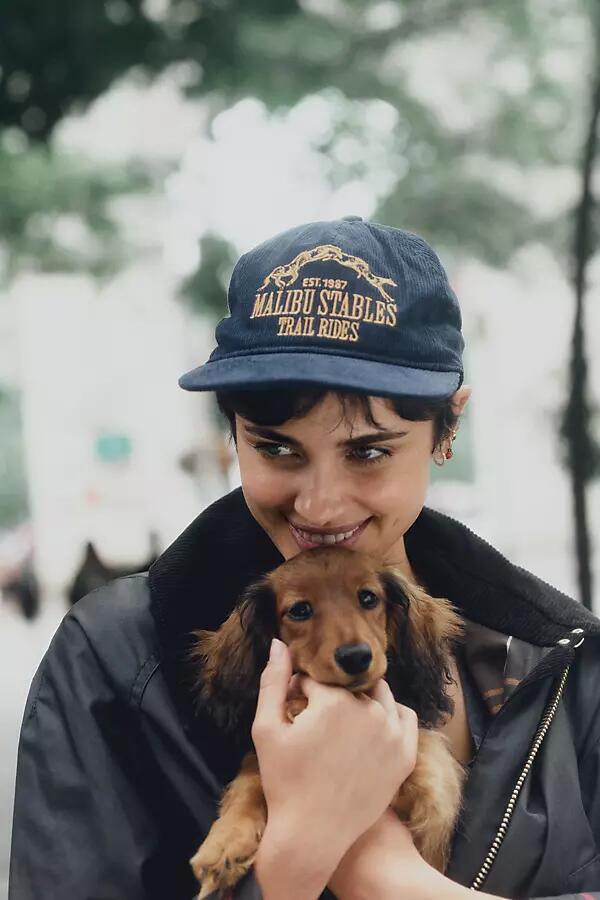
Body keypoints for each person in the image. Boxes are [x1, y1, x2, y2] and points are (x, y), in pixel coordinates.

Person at [9, 216, 600, 900]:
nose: (319, 507)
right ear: (233, 432)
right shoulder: (112, 660)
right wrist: (297, 855)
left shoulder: (563, 662)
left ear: (448, 428)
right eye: (277, 448)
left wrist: (384, 877)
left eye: (369, 451)